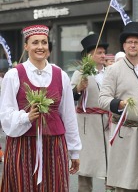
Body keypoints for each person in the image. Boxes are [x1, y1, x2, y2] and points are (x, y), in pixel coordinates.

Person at [0, 25, 82, 192]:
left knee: (54, 187)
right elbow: (5, 114)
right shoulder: (14, 75)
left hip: (54, 144)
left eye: (44, 42)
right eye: (35, 42)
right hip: (23, 143)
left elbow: (68, 115)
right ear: (26, 46)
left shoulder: (60, 75)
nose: (40, 47)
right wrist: (26, 117)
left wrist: (74, 151)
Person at [99, 21, 138, 192]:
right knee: (126, 184)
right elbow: (103, 99)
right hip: (124, 133)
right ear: (123, 45)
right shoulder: (113, 70)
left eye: (136, 42)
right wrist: (120, 104)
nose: (132, 45)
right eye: (129, 42)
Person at [70, 33, 111, 192]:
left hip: (108, 123)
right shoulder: (80, 73)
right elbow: (71, 96)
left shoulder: (111, 72)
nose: (103, 55)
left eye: (103, 52)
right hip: (87, 124)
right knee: (86, 166)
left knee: (110, 162)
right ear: (89, 55)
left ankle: (111, 189)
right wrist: (79, 89)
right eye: (99, 52)